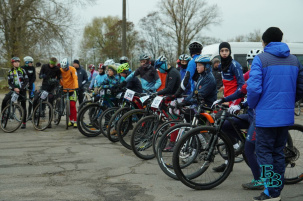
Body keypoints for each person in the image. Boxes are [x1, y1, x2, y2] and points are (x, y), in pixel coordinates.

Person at [247, 27, 303, 201]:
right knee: (278, 153)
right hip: (285, 117)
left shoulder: (261, 59)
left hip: (265, 117)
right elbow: (300, 87)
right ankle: (275, 192)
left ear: (265, 42)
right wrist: (289, 103)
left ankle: (270, 192)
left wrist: (252, 105)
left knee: (263, 153)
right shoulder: (294, 60)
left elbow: (254, 88)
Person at [164, 56, 217, 151]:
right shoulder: (201, 76)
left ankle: (204, 144)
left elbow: (200, 95)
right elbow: (194, 93)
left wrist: (185, 103)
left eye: (200, 65)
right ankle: (199, 142)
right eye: (197, 65)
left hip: (207, 107)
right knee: (188, 117)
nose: (197, 67)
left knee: (196, 124)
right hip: (200, 105)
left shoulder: (209, 79)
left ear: (207, 67)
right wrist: (184, 101)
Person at [1, 57, 29, 128]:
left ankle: (24, 122)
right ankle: (3, 117)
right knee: (4, 100)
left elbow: (26, 81)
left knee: (23, 106)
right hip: (13, 90)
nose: (17, 63)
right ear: (13, 63)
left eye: (18, 62)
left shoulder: (22, 70)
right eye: (15, 62)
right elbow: (9, 82)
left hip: (22, 91)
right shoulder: (10, 72)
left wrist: (21, 88)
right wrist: (14, 88)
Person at [34, 57, 61, 128]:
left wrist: (55, 81)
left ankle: (49, 122)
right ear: (49, 62)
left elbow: (59, 78)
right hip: (44, 87)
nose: (52, 65)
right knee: (37, 100)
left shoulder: (57, 69)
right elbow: (40, 76)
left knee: (50, 104)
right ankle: (36, 115)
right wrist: (42, 76)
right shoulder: (44, 66)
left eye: (53, 64)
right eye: (51, 63)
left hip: (52, 88)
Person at [60, 58, 79, 128]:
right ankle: (70, 120)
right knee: (68, 106)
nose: (64, 69)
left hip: (72, 89)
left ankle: (75, 121)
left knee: (72, 105)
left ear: (68, 65)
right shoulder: (61, 70)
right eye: (63, 68)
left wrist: (76, 87)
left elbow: (75, 78)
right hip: (65, 90)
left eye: (65, 68)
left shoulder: (72, 69)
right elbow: (59, 78)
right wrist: (61, 85)